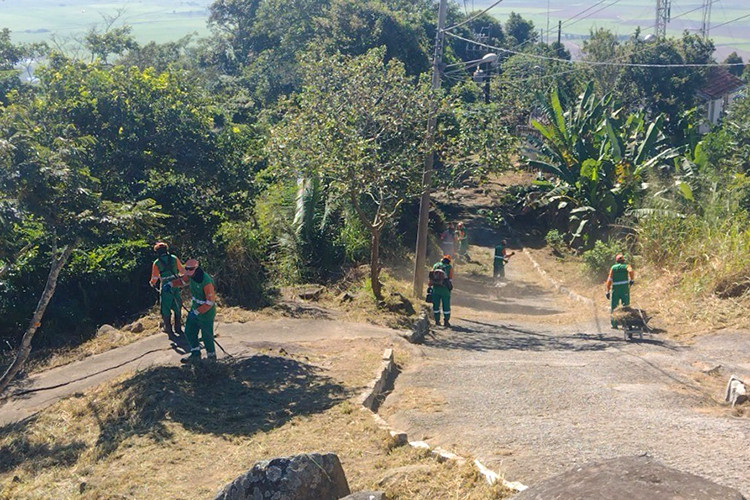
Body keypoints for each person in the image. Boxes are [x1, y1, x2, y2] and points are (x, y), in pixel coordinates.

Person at [173, 258, 217, 363]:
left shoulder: (206, 281)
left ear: (197, 269)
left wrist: (197, 312)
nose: (188, 272)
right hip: (195, 308)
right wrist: (170, 285)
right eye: (187, 269)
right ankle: (195, 354)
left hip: (206, 312)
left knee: (207, 336)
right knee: (189, 331)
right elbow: (182, 281)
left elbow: (210, 302)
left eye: (191, 269)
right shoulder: (190, 275)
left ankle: (211, 358)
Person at [149, 242, 185, 337]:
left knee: (165, 307)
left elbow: (155, 278)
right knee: (177, 305)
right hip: (175, 284)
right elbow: (182, 270)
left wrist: (152, 283)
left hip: (165, 286)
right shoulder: (174, 258)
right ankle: (178, 328)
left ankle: (168, 329)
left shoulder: (156, 263)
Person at [605, 253, 635, 328]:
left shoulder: (613, 268)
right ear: (623, 260)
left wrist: (607, 291)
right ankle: (626, 323)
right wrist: (631, 279)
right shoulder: (626, 266)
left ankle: (614, 324)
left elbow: (609, 279)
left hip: (615, 289)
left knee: (614, 306)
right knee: (626, 306)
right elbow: (631, 271)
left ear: (616, 261)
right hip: (624, 289)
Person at [429, 255, 454, 327]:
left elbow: (431, 277)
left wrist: (430, 286)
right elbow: (450, 278)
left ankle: (437, 321)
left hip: (435, 288)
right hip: (445, 289)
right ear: (449, 261)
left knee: (436, 305)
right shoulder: (449, 267)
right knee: (446, 305)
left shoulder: (436, 265)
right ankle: (446, 321)